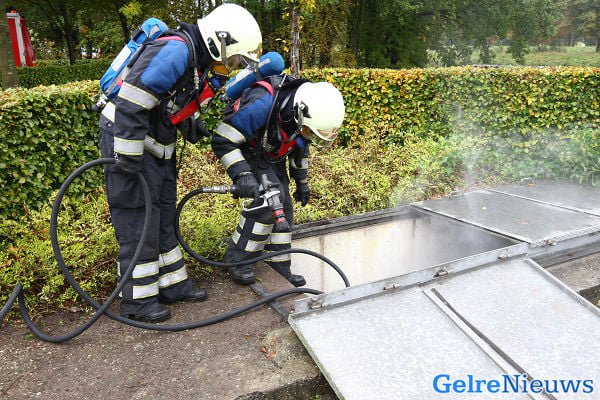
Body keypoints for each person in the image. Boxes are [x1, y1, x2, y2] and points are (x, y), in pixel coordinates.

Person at [98, 4, 262, 322]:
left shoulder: (197, 60)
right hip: (129, 142)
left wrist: (191, 123)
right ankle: (138, 302)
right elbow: (132, 101)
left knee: (162, 215)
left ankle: (172, 284)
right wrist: (128, 157)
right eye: (233, 58)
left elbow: (170, 101)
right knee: (138, 219)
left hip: (155, 146)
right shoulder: (177, 51)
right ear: (220, 41)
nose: (232, 66)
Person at [211, 74, 345, 286]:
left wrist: (302, 183)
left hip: (270, 152)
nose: (309, 136)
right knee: (268, 201)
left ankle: (279, 265)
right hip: (248, 148)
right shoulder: (263, 104)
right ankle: (237, 261)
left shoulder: (304, 118)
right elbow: (222, 139)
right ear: (299, 112)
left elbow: (300, 149)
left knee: (285, 206)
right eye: (309, 131)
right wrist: (242, 174)